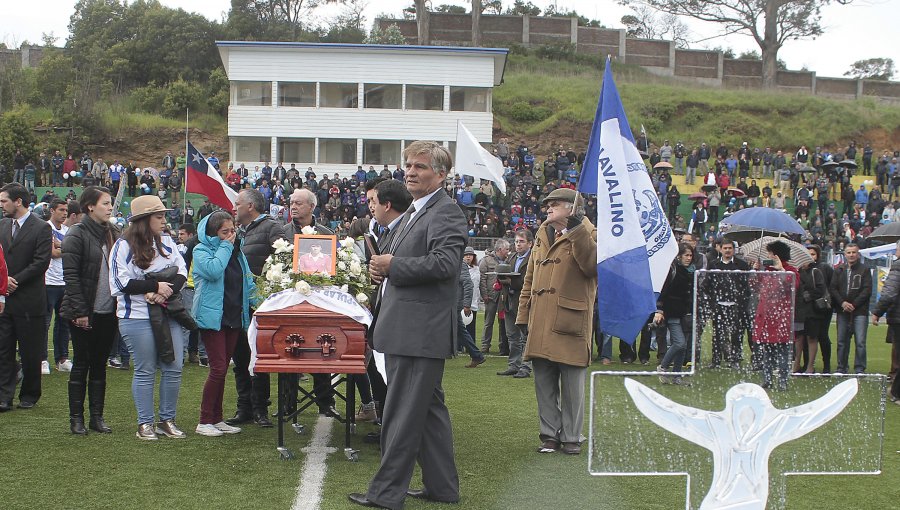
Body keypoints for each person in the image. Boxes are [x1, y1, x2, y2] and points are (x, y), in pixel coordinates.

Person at [350, 141, 466, 509]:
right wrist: (381, 267)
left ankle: (385, 495)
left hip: (419, 331)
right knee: (428, 414)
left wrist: (392, 267)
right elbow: (401, 259)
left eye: (419, 166)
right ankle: (442, 487)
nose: (410, 172)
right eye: (408, 166)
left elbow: (445, 265)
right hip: (411, 328)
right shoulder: (419, 211)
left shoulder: (445, 212)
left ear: (441, 174)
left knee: (400, 416)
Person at [516, 188, 597, 456]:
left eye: (555, 204)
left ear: (573, 208)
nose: (547, 208)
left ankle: (572, 436)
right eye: (547, 204)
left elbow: (592, 266)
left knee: (573, 384)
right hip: (540, 318)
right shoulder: (542, 233)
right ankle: (549, 434)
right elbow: (530, 277)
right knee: (544, 382)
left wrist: (576, 232)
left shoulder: (590, 232)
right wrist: (523, 314)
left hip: (571, 318)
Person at [110, 195, 189, 440]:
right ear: (144, 220)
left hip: (168, 314)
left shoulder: (167, 241)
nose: (165, 220)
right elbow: (120, 282)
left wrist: (165, 290)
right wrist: (154, 287)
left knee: (174, 367)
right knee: (145, 370)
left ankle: (167, 420)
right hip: (136, 316)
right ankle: (145, 423)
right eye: (159, 216)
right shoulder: (123, 245)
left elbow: (182, 272)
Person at [192, 211, 257, 437]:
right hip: (212, 318)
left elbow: (247, 281)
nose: (231, 235)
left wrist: (257, 303)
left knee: (222, 369)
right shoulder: (201, 251)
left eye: (232, 231)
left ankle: (216, 418)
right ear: (213, 233)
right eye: (224, 232)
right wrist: (226, 247)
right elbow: (213, 270)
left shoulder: (238, 254)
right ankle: (204, 420)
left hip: (233, 316)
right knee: (218, 368)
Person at [60, 186, 119, 434]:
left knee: (99, 364)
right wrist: (80, 311)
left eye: (110, 203)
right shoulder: (77, 233)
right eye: (105, 203)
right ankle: (76, 419)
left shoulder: (114, 233)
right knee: (82, 363)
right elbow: (71, 277)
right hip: (83, 311)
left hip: (109, 311)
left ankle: (97, 417)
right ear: (90, 206)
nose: (109, 207)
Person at [227, 188, 285, 428]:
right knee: (240, 357)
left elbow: (285, 258)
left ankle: (260, 408)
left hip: (259, 305)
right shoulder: (238, 231)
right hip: (236, 303)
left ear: (250, 206)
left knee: (257, 357)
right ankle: (245, 407)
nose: (234, 207)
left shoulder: (272, 228)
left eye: (238, 203)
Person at [281, 188, 341, 419]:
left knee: (321, 352)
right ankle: (288, 404)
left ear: (311, 207)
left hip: (320, 304)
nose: (293, 206)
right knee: (289, 353)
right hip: (290, 303)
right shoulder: (283, 232)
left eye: (298, 203)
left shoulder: (326, 234)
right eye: (291, 202)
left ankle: (326, 402)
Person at [0, 183, 52, 411]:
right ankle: (4, 396)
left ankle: (30, 394)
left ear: (18, 201)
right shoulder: (2, 225)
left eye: (4, 201)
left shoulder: (41, 228)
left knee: (31, 352)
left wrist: (14, 280)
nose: (1, 205)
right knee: (3, 350)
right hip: (5, 301)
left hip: (30, 300)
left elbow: (41, 262)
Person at [750, 241, 798, 390]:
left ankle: (782, 381)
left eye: (770, 253)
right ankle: (767, 379)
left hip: (781, 318)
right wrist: (755, 271)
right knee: (767, 351)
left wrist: (781, 270)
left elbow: (792, 286)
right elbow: (753, 286)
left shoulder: (791, 270)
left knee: (783, 351)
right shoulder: (767, 271)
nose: (768, 256)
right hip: (766, 317)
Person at [705, 240, 751, 368]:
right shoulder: (714, 264)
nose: (727, 250)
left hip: (736, 305)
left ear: (733, 249)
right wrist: (712, 300)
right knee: (718, 334)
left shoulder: (741, 265)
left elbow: (746, 286)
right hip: (719, 304)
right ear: (720, 249)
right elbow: (707, 284)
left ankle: (735, 359)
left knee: (736, 334)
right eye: (725, 248)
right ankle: (716, 360)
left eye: (730, 248)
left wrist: (741, 300)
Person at [655, 243, 695, 386]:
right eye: (686, 255)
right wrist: (659, 310)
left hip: (686, 314)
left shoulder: (691, 272)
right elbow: (663, 291)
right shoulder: (672, 271)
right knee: (679, 343)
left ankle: (676, 376)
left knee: (683, 346)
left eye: (691, 255)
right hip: (672, 312)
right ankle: (663, 366)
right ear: (679, 256)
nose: (689, 258)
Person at [829, 243, 871, 374]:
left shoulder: (864, 270)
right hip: (842, 311)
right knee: (842, 341)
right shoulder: (839, 269)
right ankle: (842, 367)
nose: (851, 255)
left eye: (854, 252)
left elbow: (867, 290)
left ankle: (859, 368)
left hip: (860, 311)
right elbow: (833, 288)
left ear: (858, 254)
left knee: (860, 342)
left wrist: (854, 304)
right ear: (845, 254)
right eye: (849, 252)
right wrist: (842, 303)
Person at [497, 229, 533, 378]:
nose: (518, 244)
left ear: (530, 243)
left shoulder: (533, 258)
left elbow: (528, 280)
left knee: (525, 335)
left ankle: (525, 366)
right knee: (512, 335)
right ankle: (514, 365)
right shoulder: (511, 257)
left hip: (523, 301)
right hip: (509, 300)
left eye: (521, 241)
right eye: (517, 241)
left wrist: (512, 281)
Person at [44, 199, 72, 374]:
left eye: (66, 210)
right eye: (61, 210)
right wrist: (66, 248)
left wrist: (62, 246)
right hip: (48, 282)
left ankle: (62, 359)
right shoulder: (45, 228)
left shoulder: (67, 230)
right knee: (45, 323)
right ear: (52, 210)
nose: (64, 213)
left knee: (64, 323)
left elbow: (73, 251)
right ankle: (42, 359)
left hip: (64, 281)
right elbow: (52, 253)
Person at [793, 250, 829, 373]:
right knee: (798, 338)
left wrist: (807, 295)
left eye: (812, 254)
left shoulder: (816, 271)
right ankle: (796, 364)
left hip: (812, 311)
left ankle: (810, 366)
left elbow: (821, 289)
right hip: (799, 310)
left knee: (812, 338)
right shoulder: (797, 271)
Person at [479, 239, 510, 354]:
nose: (508, 251)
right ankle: (485, 345)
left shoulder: (509, 260)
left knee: (503, 322)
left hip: (504, 296)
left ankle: (503, 346)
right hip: (491, 296)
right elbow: (482, 279)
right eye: (506, 249)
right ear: (499, 249)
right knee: (488, 322)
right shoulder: (486, 261)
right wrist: (485, 295)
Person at [463, 247, 481, 343]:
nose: (468, 257)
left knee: (471, 325)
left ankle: (471, 344)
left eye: (470, 255)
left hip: (474, 301)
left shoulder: (477, 269)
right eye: (466, 255)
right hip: (462, 301)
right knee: (461, 325)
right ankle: (459, 345)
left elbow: (479, 284)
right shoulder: (459, 269)